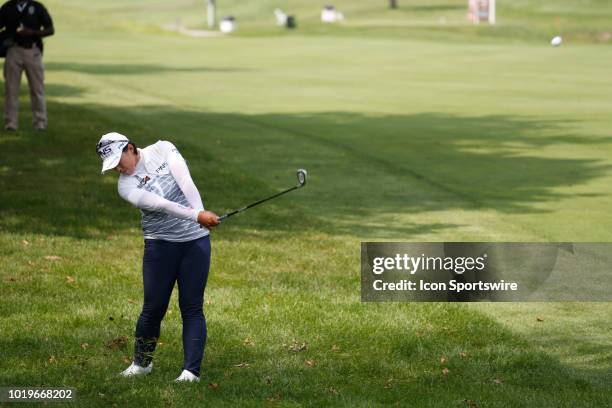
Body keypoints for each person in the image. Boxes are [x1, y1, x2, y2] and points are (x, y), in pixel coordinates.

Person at [96, 132, 220, 383]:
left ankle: (191, 372)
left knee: (192, 307)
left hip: (194, 244)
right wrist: (197, 216)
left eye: (119, 161)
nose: (118, 168)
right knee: (152, 309)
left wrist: (200, 215)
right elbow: (162, 204)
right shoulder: (125, 186)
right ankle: (142, 364)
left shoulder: (162, 149)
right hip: (159, 246)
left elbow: (185, 181)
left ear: (130, 148)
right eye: (112, 167)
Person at [0, 0, 54, 131]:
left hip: (33, 51)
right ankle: (10, 123)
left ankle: (40, 123)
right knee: (11, 89)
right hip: (13, 51)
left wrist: (33, 33)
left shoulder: (37, 7)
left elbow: (50, 29)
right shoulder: (7, 7)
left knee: (37, 89)